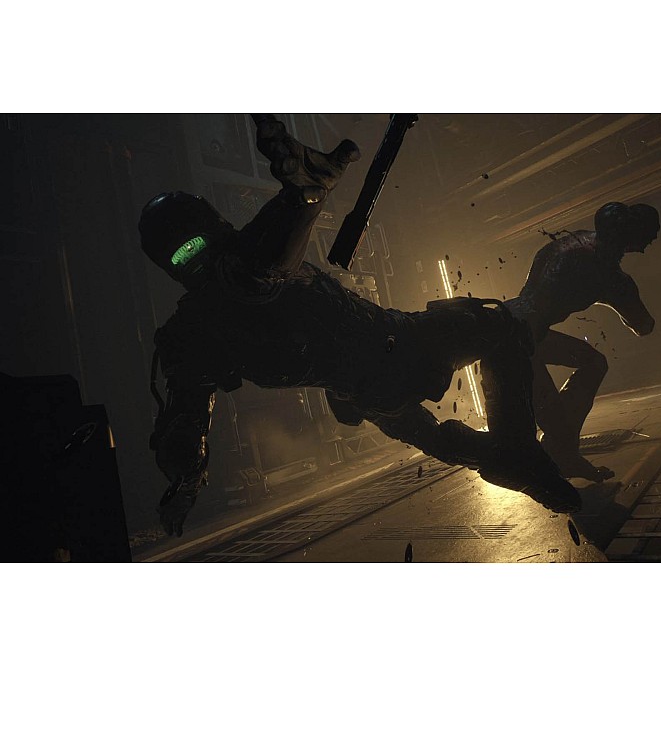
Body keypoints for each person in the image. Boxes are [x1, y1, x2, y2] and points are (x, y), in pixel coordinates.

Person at [140, 115, 581, 536]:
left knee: (433, 434)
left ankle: (512, 463)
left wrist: (186, 482)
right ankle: (517, 454)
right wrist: (303, 197)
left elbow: (186, 417)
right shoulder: (227, 290)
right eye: (185, 254)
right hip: (395, 347)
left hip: (366, 391)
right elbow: (251, 277)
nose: (198, 260)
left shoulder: (194, 327)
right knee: (498, 327)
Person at [504, 201, 660, 481]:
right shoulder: (608, 275)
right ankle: (558, 458)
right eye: (647, 235)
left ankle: (562, 453)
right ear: (630, 236)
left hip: (515, 326)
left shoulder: (574, 240)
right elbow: (642, 325)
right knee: (558, 428)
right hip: (519, 342)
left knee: (593, 363)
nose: (652, 241)